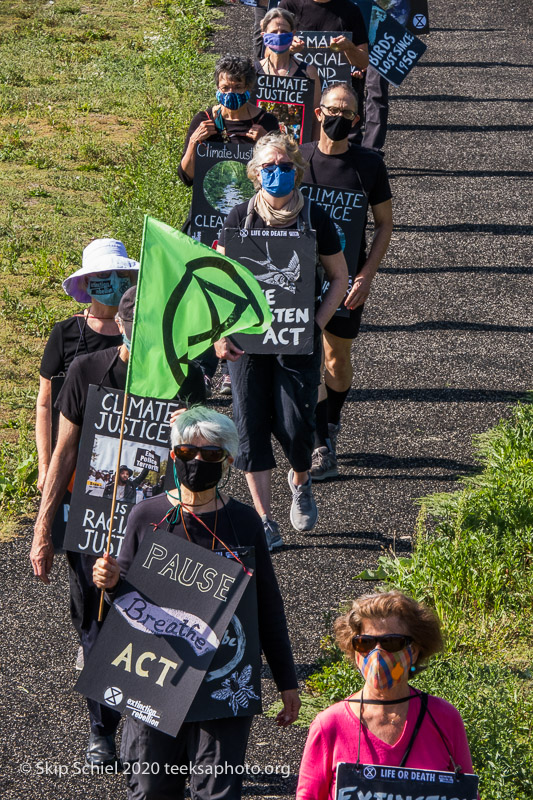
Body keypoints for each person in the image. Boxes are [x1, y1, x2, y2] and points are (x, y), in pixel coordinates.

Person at [30, 287, 205, 767]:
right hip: (93, 522)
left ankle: (149, 727)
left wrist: (188, 427)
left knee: (159, 625)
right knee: (97, 622)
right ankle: (100, 729)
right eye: (141, 329)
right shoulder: (88, 371)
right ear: (124, 328)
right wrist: (43, 529)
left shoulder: (186, 378)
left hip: (162, 524)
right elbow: (64, 454)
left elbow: (211, 460)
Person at [93, 406, 301, 800]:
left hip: (224, 685)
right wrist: (108, 581)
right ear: (174, 455)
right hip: (153, 678)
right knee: (151, 788)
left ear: (228, 461)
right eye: (189, 453)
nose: (198, 462)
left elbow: (268, 606)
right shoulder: (147, 515)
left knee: (218, 793)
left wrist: (287, 680)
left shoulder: (244, 521)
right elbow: (121, 592)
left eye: (211, 455)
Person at [214, 132, 348, 549]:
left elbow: (340, 278)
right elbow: (218, 284)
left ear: (298, 171)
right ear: (255, 175)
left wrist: (316, 325)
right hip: (246, 343)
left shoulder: (317, 219)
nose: (277, 174)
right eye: (268, 168)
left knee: (296, 424)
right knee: (249, 426)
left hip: (296, 339)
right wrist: (219, 335)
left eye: (284, 167)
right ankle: (264, 519)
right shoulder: (238, 219)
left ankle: (301, 478)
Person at [296, 591, 475, 799]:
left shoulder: (444, 718)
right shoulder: (329, 725)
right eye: (365, 642)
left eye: (391, 642)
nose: (377, 653)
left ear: (414, 651)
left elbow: (468, 793)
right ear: (354, 650)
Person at [300, 82, 392, 479]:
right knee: (308, 355)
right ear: (318, 113)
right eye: (332, 110)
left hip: (346, 279)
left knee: (336, 355)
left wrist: (366, 276)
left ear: (356, 120)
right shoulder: (296, 158)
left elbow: (385, 225)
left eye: (348, 114)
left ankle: (332, 422)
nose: (339, 119)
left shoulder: (369, 165)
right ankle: (321, 443)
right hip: (298, 278)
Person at [36, 238, 139, 491]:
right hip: (73, 460)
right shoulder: (65, 332)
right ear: (86, 281)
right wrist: (45, 467)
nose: (114, 280)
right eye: (104, 274)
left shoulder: (141, 332)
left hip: (128, 455)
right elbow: (45, 403)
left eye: (121, 273)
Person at [178, 54, 280, 187]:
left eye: (238, 87)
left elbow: (280, 172)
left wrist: (267, 143)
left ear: (248, 87)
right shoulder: (204, 120)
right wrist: (193, 143)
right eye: (225, 88)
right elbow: (187, 177)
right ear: (217, 88)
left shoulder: (265, 121)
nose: (231, 93)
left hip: (251, 202)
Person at [257, 8, 321, 141]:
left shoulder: (309, 72)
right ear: (264, 35)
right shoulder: (253, 71)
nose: (279, 35)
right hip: (261, 150)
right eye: (274, 32)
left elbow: (317, 117)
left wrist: (313, 151)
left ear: (293, 34)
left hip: (297, 150)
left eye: (284, 32)